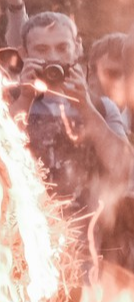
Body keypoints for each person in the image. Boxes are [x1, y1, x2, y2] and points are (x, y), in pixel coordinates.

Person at [8, 12, 132, 222]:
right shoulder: (4, 103)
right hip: (25, 231)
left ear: (77, 48)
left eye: (62, 48)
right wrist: (24, 99)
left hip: (89, 238)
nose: (53, 57)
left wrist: (85, 107)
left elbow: (123, 169)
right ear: (23, 53)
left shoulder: (102, 107)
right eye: (41, 50)